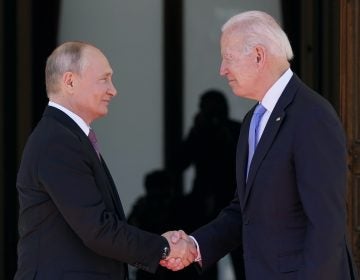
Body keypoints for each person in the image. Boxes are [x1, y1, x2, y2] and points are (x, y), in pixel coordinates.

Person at [161, 10, 358, 280]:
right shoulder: (253, 120)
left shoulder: (311, 116)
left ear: (258, 55)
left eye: (228, 58)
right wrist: (195, 246)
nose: (222, 69)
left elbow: (326, 226)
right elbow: (244, 209)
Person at [14, 41, 196, 280]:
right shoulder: (57, 141)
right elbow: (97, 229)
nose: (113, 90)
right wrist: (164, 248)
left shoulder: (67, 136)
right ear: (70, 81)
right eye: (104, 79)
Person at [169, 89, 244, 280]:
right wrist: (196, 132)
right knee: (202, 261)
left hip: (234, 203)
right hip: (203, 204)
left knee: (242, 262)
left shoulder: (236, 130)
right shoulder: (199, 132)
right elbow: (178, 164)